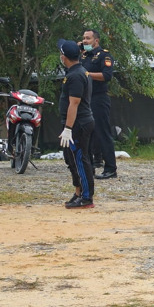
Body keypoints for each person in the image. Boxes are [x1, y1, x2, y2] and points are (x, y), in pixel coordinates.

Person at [57, 39, 95, 209]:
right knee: (71, 159)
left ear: (64, 56)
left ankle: (87, 197)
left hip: (78, 124)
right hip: (75, 123)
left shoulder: (76, 75)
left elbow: (74, 103)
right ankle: (78, 192)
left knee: (80, 159)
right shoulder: (74, 72)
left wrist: (68, 128)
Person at [80, 29, 117, 179]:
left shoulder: (104, 55)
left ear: (96, 41)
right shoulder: (83, 56)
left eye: (88, 38)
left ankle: (110, 168)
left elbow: (107, 75)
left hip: (99, 98)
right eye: (83, 38)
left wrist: (87, 75)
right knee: (86, 133)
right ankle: (89, 167)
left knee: (102, 132)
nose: (85, 41)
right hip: (85, 99)